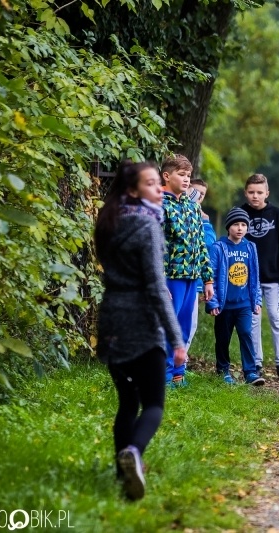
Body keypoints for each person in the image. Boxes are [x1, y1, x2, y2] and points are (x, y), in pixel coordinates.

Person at [94, 160, 187, 501]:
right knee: (154, 405)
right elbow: (154, 287)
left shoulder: (109, 221)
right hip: (141, 325)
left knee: (125, 404)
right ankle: (134, 451)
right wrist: (176, 338)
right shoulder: (147, 227)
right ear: (133, 191)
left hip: (111, 322)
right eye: (150, 184)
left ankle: (124, 479)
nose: (159, 190)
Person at [160, 154, 214, 387]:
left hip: (192, 277)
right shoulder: (159, 205)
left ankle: (178, 373)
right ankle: (162, 376)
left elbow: (200, 245)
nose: (186, 179)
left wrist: (208, 280)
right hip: (170, 277)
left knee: (183, 328)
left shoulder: (192, 207)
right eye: (181, 175)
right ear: (166, 176)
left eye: (188, 176)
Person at [240, 173, 279, 381]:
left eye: (259, 192)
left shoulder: (276, 214)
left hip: (273, 277)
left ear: (267, 193)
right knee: (253, 321)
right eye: (251, 192)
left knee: (275, 317)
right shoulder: (241, 214)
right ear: (246, 193)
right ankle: (256, 363)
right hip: (248, 280)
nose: (255, 196)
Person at [205, 207, 264, 386]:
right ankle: (223, 370)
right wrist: (212, 301)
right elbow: (212, 274)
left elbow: (255, 276)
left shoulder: (250, 247)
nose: (240, 228)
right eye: (236, 224)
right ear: (228, 227)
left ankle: (250, 372)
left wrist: (257, 300)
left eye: (243, 225)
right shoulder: (219, 247)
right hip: (225, 305)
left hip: (244, 303)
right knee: (223, 338)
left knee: (246, 333)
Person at [186, 178, 216, 352]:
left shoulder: (204, 218)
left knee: (191, 324)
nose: (198, 197)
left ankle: (180, 365)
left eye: (202, 195)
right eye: (195, 192)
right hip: (181, 276)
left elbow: (208, 245)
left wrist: (205, 222)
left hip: (197, 278)